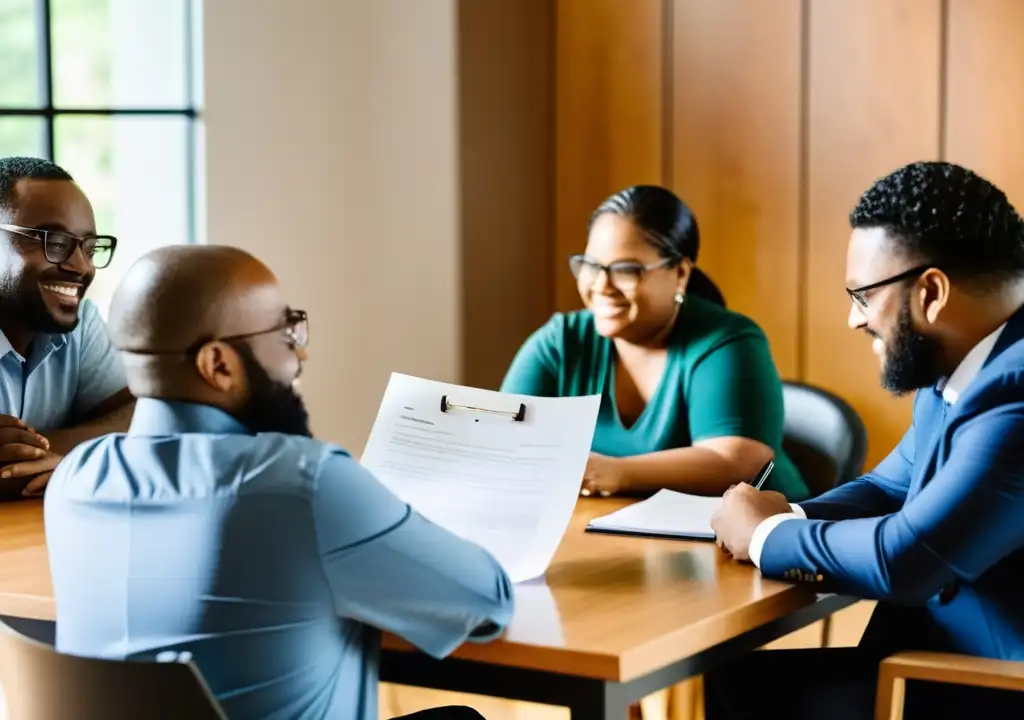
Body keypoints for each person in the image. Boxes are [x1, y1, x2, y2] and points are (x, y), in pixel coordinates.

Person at [44, 245, 513, 720]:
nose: (302, 350)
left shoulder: (73, 480)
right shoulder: (304, 484)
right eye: (287, 331)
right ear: (218, 365)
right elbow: (485, 603)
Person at [707, 162, 1024, 719]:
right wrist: (786, 511)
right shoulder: (966, 362)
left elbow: (907, 560)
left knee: (748, 691)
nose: (854, 321)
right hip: (935, 656)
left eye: (863, 296)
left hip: (989, 687)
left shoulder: (1016, 391)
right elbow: (888, 486)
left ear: (930, 292)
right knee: (739, 680)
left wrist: (764, 533)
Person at [501, 185, 808, 500]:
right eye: (591, 266)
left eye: (626, 271)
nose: (601, 285)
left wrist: (612, 472)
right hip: (613, 528)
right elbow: (501, 440)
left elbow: (735, 460)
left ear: (680, 273)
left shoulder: (728, 341)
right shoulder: (560, 342)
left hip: (748, 537)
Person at [0, 156, 133, 497]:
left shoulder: (80, 325)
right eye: (54, 243)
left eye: (89, 247)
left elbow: (142, 415)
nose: (81, 267)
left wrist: (53, 450)